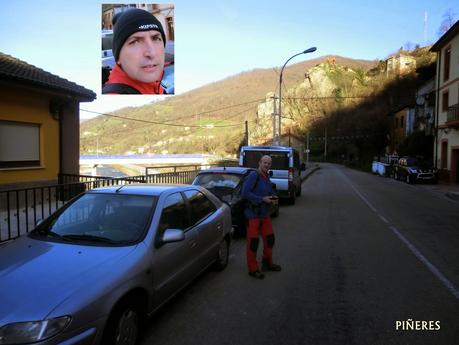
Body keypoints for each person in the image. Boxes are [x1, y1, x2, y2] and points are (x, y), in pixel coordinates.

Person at [102, 8, 173, 94]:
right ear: (118, 58)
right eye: (135, 41)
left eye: (156, 38)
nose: (152, 53)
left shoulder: (155, 86)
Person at [242, 155, 281, 279]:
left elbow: (269, 192)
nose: (267, 165)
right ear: (260, 162)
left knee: (270, 240)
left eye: (269, 163)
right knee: (253, 243)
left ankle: (267, 263)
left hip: (265, 214)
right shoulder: (254, 175)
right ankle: (253, 269)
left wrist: (274, 197)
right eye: (265, 162)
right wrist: (262, 199)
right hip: (253, 215)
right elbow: (245, 193)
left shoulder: (266, 177)